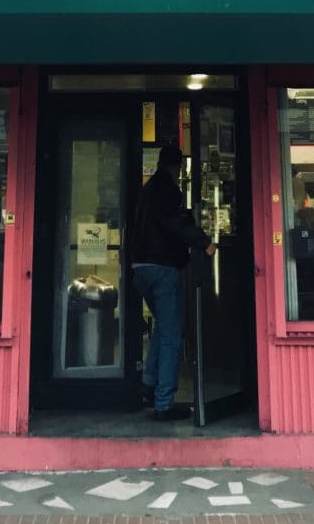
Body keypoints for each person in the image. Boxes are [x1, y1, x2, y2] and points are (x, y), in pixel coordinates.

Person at [131, 144, 216, 421]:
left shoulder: (147, 189)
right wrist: (203, 242)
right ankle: (164, 402)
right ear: (177, 167)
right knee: (171, 334)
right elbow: (174, 224)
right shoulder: (168, 190)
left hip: (140, 267)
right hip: (162, 267)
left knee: (162, 327)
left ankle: (149, 381)